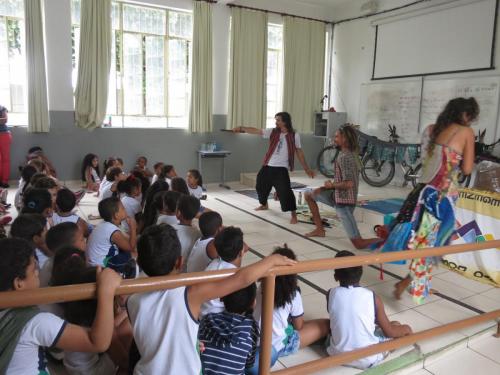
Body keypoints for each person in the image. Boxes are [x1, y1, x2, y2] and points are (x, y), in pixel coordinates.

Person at [126, 224, 295, 375]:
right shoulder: (188, 294)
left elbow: (156, 333)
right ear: (179, 262)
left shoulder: (132, 298)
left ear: (139, 261)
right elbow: (242, 279)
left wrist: (192, 342)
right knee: (268, 353)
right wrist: (272, 260)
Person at [392, 97, 478, 303]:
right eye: (471, 117)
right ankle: (408, 284)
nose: (471, 122)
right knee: (435, 244)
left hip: (423, 193)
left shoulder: (432, 129)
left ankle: (413, 283)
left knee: (424, 240)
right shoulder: (466, 132)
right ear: (465, 115)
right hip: (443, 197)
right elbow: (467, 169)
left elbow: (425, 162)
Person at [0, 237, 121, 375]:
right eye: (34, 269)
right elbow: (97, 343)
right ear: (19, 283)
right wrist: (106, 290)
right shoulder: (34, 321)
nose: (38, 273)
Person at [248, 246, 330, 374]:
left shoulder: (261, 285)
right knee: (325, 324)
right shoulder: (293, 294)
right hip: (276, 346)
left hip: (254, 341)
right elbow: (299, 326)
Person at [326, 251, 412, 369]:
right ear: (361, 273)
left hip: (336, 354)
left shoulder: (331, 293)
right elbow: (390, 332)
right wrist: (406, 329)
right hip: (367, 359)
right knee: (396, 325)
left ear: (335, 277)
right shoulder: (372, 297)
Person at [304, 125, 382, 249]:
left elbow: (349, 183)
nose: (334, 139)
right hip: (337, 196)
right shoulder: (349, 154)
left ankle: (386, 241)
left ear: (344, 139)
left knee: (358, 243)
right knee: (309, 194)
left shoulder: (346, 157)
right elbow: (344, 179)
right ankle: (320, 229)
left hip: (344, 203)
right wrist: (325, 188)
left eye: (336, 137)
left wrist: (331, 185)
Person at [232, 112, 315, 224]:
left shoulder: (294, 135)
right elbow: (256, 131)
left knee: (285, 191)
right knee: (260, 185)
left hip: (281, 168)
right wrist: (242, 128)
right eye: (276, 120)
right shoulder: (273, 131)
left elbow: (299, 152)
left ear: (285, 121)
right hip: (268, 165)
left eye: (278, 120)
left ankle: (293, 214)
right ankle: (264, 204)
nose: (276, 122)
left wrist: (306, 169)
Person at [199, 284, 260, 374]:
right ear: (253, 303)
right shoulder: (251, 329)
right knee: (271, 352)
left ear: (222, 298)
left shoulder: (207, 320)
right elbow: (249, 364)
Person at [200, 226, 247, 316]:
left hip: (202, 316)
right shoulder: (234, 275)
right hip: (217, 321)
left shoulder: (213, 263)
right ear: (241, 252)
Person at [86, 197, 137, 277]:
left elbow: (125, 240)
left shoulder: (104, 224)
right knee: (134, 256)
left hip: (94, 262)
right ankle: (123, 274)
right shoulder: (113, 231)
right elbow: (131, 247)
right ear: (116, 216)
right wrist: (133, 228)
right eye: (123, 208)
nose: (125, 209)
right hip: (100, 266)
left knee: (128, 252)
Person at [172, 194, 201, 270]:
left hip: (168, 270)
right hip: (186, 273)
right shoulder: (198, 234)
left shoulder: (170, 229)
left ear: (178, 213)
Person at [0, 105, 11, 188]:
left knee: (5, 159)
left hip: (4, 135)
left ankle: (4, 181)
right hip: (4, 135)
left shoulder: (2, 108)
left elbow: (5, 120)